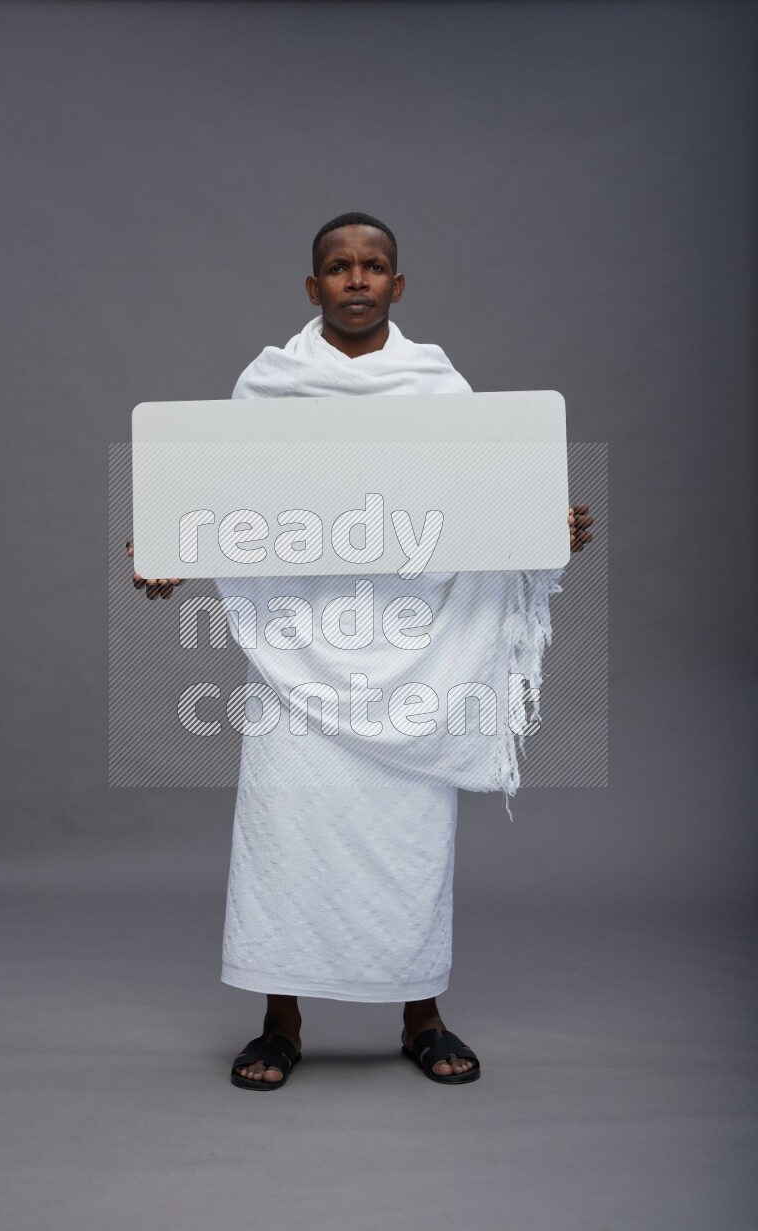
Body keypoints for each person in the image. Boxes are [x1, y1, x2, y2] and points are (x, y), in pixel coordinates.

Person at [127, 212, 593, 1090]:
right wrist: (171, 553)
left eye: (372, 266)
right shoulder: (268, 385)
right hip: (297, 645)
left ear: (397, 284)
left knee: (409, 834)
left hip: (413, 649)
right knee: (286, 831)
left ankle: (421, 1014)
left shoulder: (438, 386)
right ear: (313, 286)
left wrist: (542, 525)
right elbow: (228, 501)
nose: (355, 278)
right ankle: (280, 1022)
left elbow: (479, 499)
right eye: (338, 266)